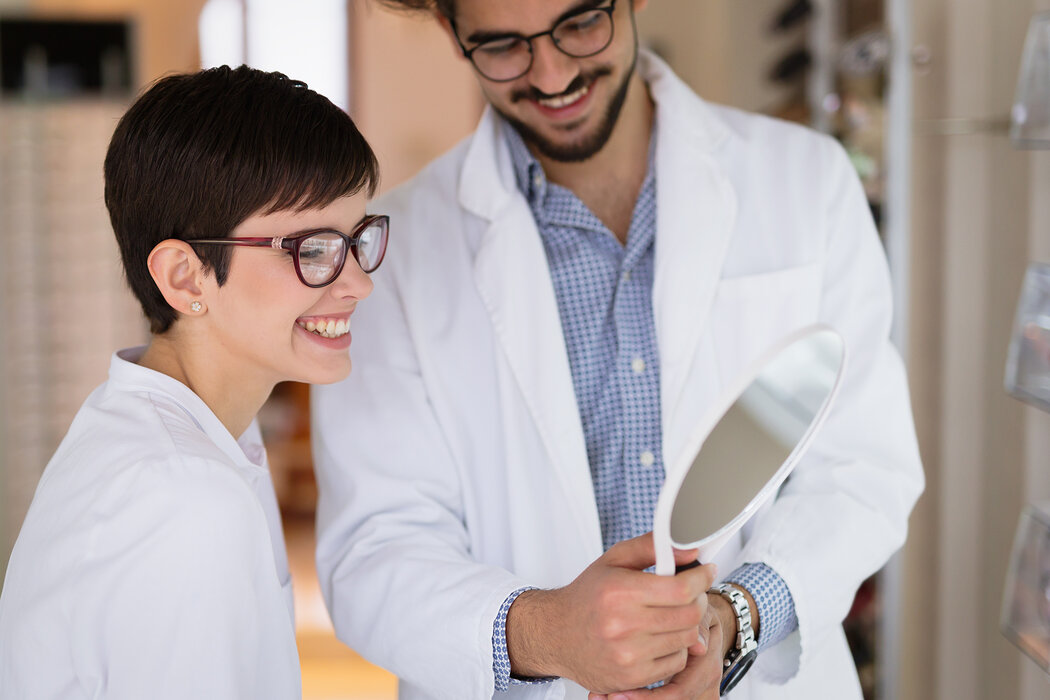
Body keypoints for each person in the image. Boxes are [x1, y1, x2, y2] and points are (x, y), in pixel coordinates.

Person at [311, 0, 924, 698]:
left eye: (579, 24)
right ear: (454, 36)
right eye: (505, 45)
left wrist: (730, 624)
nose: (551, 73)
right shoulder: (394, 255)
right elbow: (376, 547)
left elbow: (862, 469)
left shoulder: (805, 181)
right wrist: (549, 634)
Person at [0, 65, 387, 699]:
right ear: (185, 277)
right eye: (314, 249)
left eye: (359, 238)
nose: (360, 282)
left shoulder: (170, 441)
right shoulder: (185, 495)